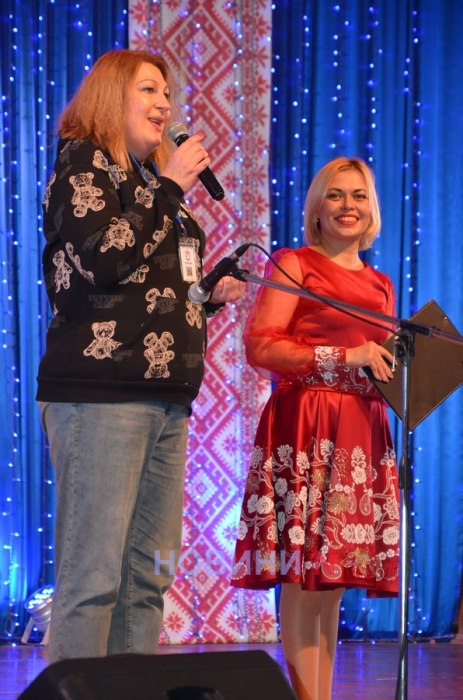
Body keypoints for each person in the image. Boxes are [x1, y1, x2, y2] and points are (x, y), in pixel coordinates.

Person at [37, 48, 244, 663]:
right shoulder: (82, 165)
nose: (165, 104)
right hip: (102, 395)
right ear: (110, 97)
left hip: (166, 399)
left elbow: (149, 286)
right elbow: (104, 259)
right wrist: (171, 185)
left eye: (167, 93)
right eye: (149, 90)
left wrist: (207, 293)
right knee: (94, 576)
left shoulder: (151, 186)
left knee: (149, 575)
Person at [231, 157, 399, 700]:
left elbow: (383, 364)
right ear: (317, 209)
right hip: (306, 425)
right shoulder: (295, 263)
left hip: (361, 431)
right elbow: (261, 345)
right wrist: (344, 356)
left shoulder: (380, 283)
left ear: (372, 209)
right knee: (305, 579)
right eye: (336, 195)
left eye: (359, 196)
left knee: (332, 581)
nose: (349, 206)